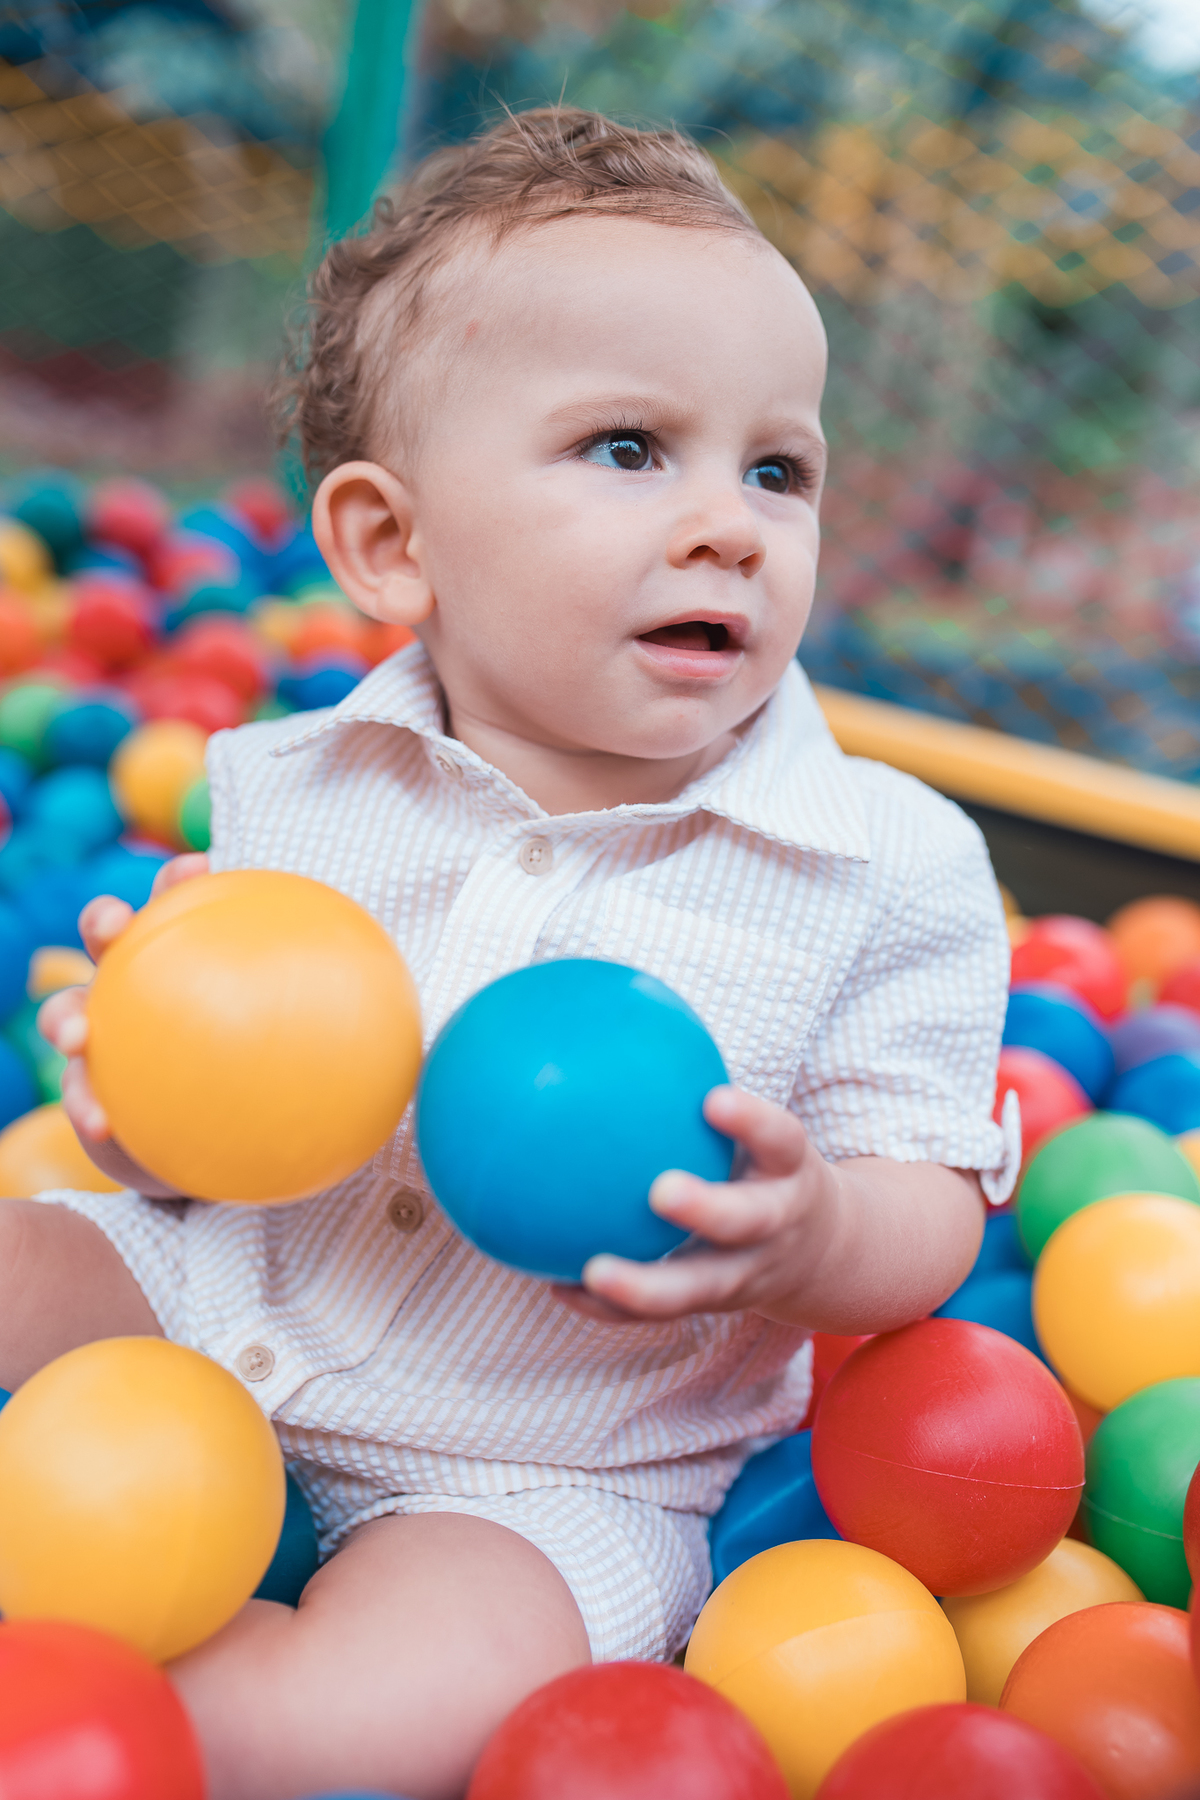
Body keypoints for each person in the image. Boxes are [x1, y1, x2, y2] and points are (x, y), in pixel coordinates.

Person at [18, 107, 1016, 1800]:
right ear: (392, 545)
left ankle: (123, 1723)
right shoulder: (296, 783)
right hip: (210, 1293)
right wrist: (137, 1099)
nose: (730, 525)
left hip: (544, 1472)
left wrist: (812, 1231)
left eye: (777, 468)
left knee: (402, 1700)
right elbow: (205, 1140)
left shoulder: (887, 863)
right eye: (630, 448)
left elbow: (927, 1197)